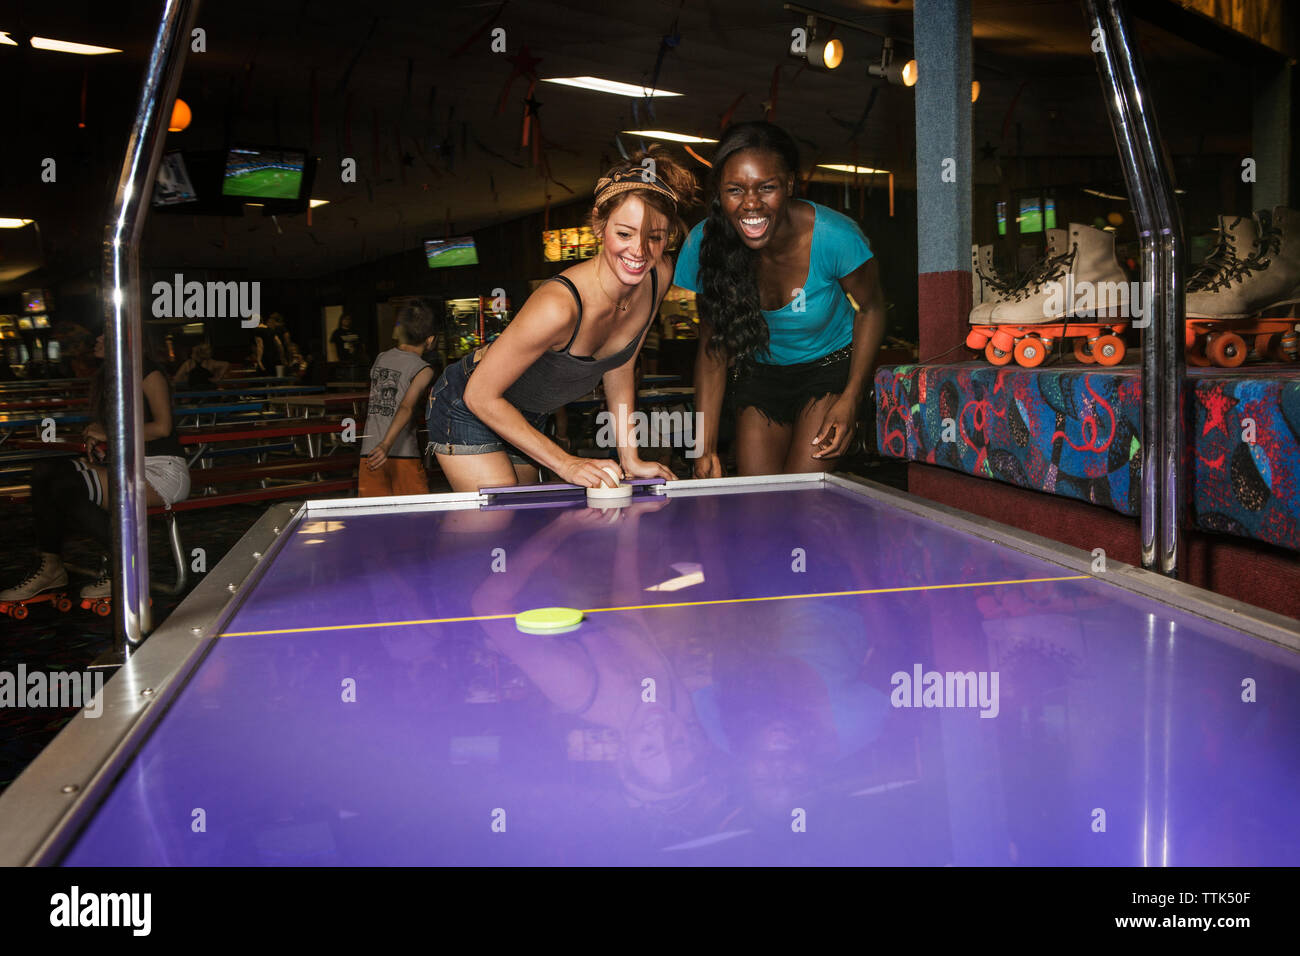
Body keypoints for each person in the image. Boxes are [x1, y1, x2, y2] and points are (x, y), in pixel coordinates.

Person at [427, 147, 698, 492]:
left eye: (655, 237)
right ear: (600, 225)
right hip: (469, 400)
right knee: (498, 518)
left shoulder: (658, 275)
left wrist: (630, 458)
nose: (639, 251)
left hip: (527, 412)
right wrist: (567, 463)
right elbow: (480, 395)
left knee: (525, 518)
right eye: (625, 234)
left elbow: (621, 365)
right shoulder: (560, 305)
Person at [672, 121, 886, 477]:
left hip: (828, 370)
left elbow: (872, 309)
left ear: (789, 185)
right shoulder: (706, 246)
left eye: (766, 187)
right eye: (735, 190)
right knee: (758, 499)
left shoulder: (836, 238)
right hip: (760, 374)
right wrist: (705, 447)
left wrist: (851, 398)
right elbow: (713, 349)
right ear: (719, 194)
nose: (751, 204)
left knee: (802, 493)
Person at [0, 335, 191, 606]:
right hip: (128, 465)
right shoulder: (110, 377)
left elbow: (162, 428)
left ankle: (126, 565)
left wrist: (110, 433)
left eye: (104, 333)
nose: (97, 339)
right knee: (44, 471)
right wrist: (103, 443)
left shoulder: (147, 371)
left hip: (161, 471)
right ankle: (51, 566)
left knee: (66, 483)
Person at [359, 302, 436, 497]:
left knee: (374, 519)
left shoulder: (381, 358)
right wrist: (386, 444)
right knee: (416, 519)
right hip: (403, 453)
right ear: (430, 340)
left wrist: (380, 445)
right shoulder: (423, 369)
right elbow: (406, 408)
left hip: (369, 453)